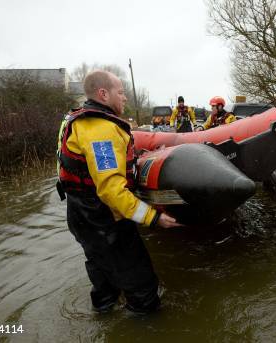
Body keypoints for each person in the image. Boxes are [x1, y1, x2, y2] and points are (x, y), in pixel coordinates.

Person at [56, 70, 182, 314]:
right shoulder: (101, 131)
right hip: (103, 218)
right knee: (142, 287)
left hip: (80, 213)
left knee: (101, 272)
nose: (125, 98)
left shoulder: (77, 121)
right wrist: (153, 218)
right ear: (104, 94)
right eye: (121, 92)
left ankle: (103, 313)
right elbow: (111, 191)